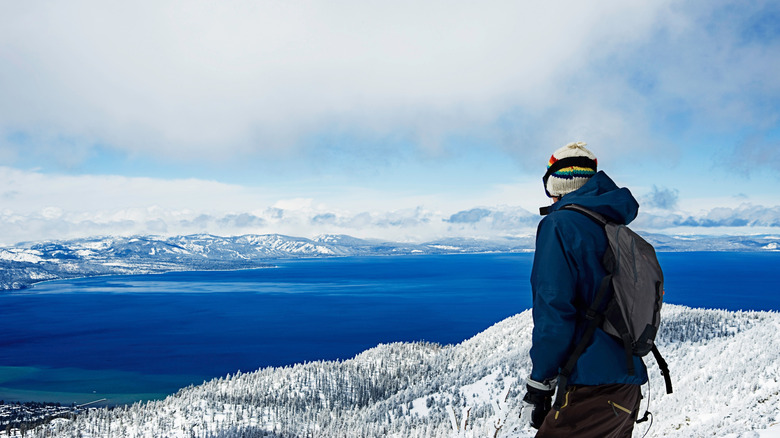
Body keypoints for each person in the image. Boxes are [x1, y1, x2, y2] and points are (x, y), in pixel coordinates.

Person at [522, 141, 648, 437]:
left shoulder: (560, 225)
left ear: (555, 185)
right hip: (625, 388)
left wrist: (540, 383)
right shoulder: (613, 226)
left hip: (590, 388)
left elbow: (554, 309)